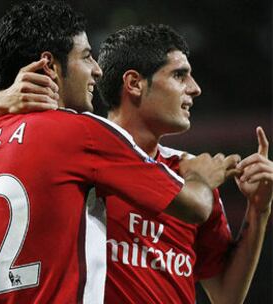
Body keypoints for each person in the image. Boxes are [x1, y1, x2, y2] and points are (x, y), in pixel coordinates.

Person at [0, 2, 238, 304]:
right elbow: (194, 206)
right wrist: (201, 177)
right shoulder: (79, 133)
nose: (96, 70)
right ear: (49, 64)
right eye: (85, 56)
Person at [96, 24, 272, 303]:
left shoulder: (192, 174)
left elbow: (226, 296)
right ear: (134, 83)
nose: (195, 89)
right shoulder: (83, 161)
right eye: (179, 75)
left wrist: (258, 210)